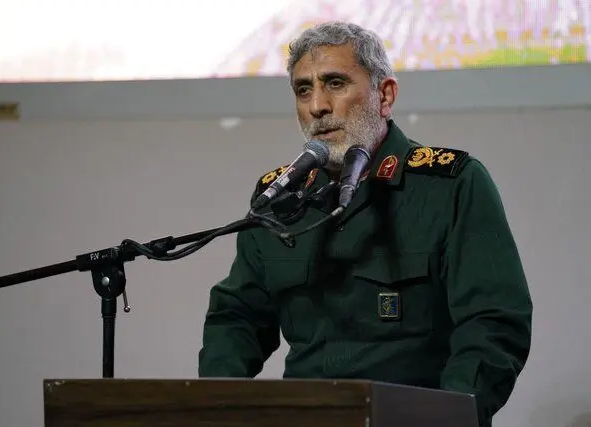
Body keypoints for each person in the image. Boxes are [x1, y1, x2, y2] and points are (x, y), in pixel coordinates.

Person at [198, 21, 533, 427]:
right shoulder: (280, 198)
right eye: (303, 90)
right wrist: (214, 408)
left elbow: (494, 324)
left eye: (335, 83)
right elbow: (238, 317)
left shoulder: (450, 185)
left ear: (385, 95)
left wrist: (445, 417)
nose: (317, 105)